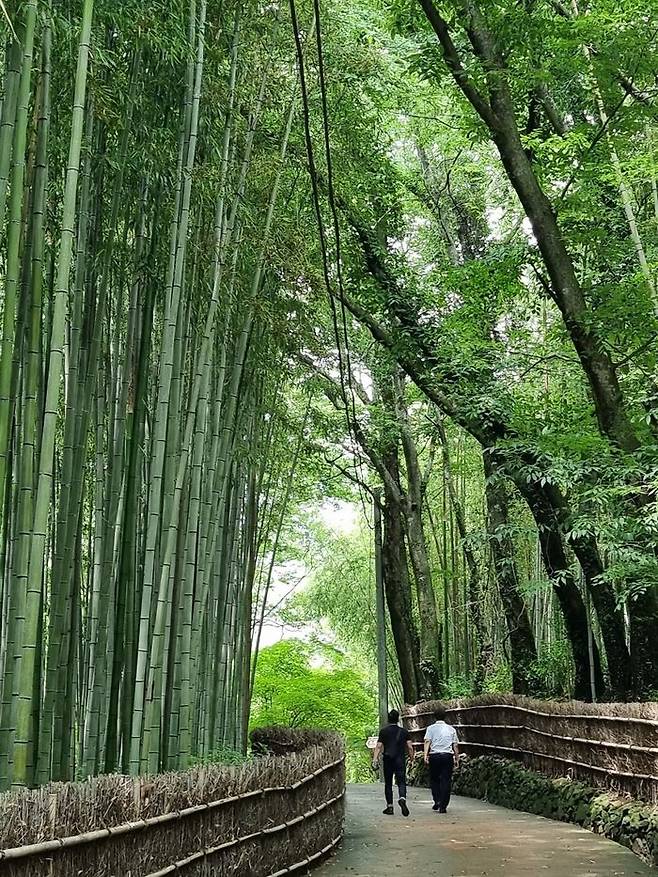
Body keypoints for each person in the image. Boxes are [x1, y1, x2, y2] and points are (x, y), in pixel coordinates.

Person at [372, 709, 415, 817]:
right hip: (400, 759)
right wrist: (411, 758)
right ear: (398, 719)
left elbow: (378, 746)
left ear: (388, 719)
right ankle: (402, 798)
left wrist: (375, 759)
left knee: (388, 784)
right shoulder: (404, 732)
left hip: (388, 759)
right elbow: (410, 747)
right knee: (401, 782)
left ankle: (390, 806)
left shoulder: (384, 731)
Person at [423, 706, 459, 813]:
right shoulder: (451, 729)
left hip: (434, 755)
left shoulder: (430, 728)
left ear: (435, 717)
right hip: (447, 756)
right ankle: (443, 805)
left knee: (434, 779)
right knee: (446, 780)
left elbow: (427, 742)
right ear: (445, 717)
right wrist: (457, 758)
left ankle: (437, 800)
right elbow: (455, 745)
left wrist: (425, 755)